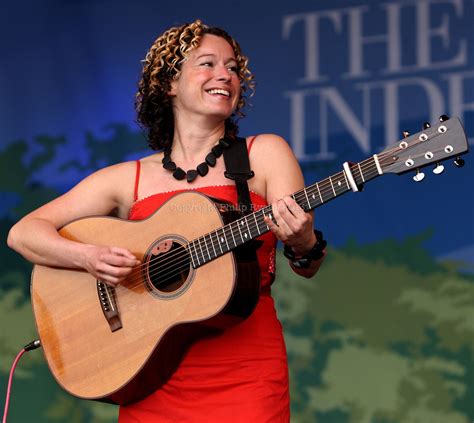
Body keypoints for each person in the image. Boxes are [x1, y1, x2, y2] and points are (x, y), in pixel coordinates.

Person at [7, 19, 325, 422]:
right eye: (207, 64)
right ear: (169, 83)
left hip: (245, 369)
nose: (224, 75)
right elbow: (24, 233)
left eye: (232, 67)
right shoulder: (128, 179)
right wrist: (87, 256)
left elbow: (307, 264)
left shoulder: (265, 153)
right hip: (149, 369)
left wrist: (304, 240)